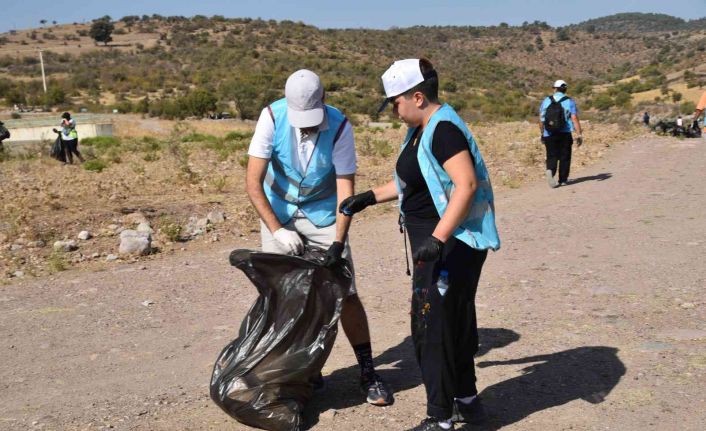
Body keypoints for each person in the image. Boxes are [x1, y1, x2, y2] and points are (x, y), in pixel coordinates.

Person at [339, 58, 500, 431]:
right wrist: (369, 197)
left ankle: (440, 417)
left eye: (395, 102)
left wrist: (437, 240)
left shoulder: (443, 130)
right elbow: (420, 179)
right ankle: (467, 401)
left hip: (449, 245)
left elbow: (466, 185)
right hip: (440, 241)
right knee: (451, 321)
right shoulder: (422, 128)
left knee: (433, 327)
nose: (394, 111)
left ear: (417, 96)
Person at [244, 69, 393, 406]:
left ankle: (368, 371)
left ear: (324, 100)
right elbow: (253, 183)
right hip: (279, 212)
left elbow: (345, 188)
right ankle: (301, 373)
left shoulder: (340, 126)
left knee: (346, 292)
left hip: (325, 214)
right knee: (282, 300)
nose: (307, 125)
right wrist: (278, 230)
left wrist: (338, 243)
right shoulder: (271, 117)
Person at [539, 80, 583, 188]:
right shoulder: (569, 101)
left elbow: (541, 119)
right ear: (565, 89)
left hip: (549, 133)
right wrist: (579, 134)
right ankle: (563, 179)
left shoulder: (546, 100)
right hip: (565, 132)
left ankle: (550, 170)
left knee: (551, 155)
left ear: (555, 88)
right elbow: (574, 118)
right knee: (565, 156)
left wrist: (542, 133)